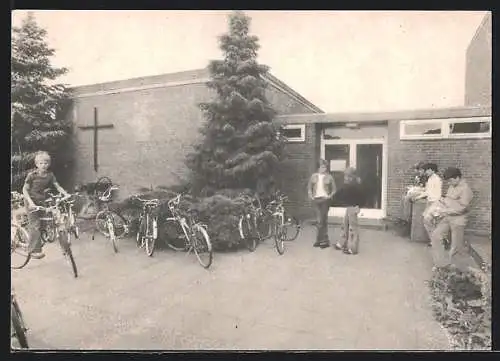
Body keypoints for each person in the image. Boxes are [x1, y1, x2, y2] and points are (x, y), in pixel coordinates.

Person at [22, 151, 71, 259]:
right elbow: (25, 190)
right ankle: (34, 250)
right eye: (40, 163)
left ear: (48, 164)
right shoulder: (32, 175)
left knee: (49, 218)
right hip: (30, 201)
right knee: (35, 224)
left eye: (45, 163)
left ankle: (62, 243)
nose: (43, 165)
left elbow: (57, 185)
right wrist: (30, 203)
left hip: (41, 200)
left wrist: (65, 193)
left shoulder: (50, 175)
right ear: (36, 164)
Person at [427, 167, 473, 272]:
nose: (449, 183)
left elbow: (462, 208)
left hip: (458, 220)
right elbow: (448, 200)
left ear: (457, 178)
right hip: (448, 217)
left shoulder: (466, 189)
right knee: (435, 236)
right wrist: (440, 205)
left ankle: (456, 271)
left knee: (456, 247)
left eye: (451, 180)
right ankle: (441, 264)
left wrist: (445, 211)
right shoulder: (452, 186)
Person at [333, 167, 365, 255]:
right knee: (345, 225)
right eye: (345, 176)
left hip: (353, 207)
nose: (345, 178)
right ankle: (342, 243)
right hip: (349, 207)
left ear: (352, 177)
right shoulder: (348, 184)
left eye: (347, 176)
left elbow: (362, 197)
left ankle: (353, 248)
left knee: (352, 228)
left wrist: (359, 206)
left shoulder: (355, 185)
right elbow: (341, 192)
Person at [307, 159, 336, 248]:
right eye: (322, 167)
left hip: (325, 200)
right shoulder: (313, 177)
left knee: (323, 220)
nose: (324, 168)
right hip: (316, 200)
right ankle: (319, 240)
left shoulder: (329, 177)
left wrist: (329, 196)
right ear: (319, 167)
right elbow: (309, 188)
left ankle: (324, 241)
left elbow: (334, 189)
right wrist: (311, 195)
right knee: (319, 220)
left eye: (325, 167)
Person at [414, 163, 442, 246]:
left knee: (428, 220)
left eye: (427, 170)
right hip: (430, 202)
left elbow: (435, 193)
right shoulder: (430, 179)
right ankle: (435, 240)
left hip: (435, 202)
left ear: (432, 170)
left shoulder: (437, 179)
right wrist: (419, 196)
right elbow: (427, 191)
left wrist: (420, 197)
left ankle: (438, 240)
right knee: (428, 221)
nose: (426, 172)